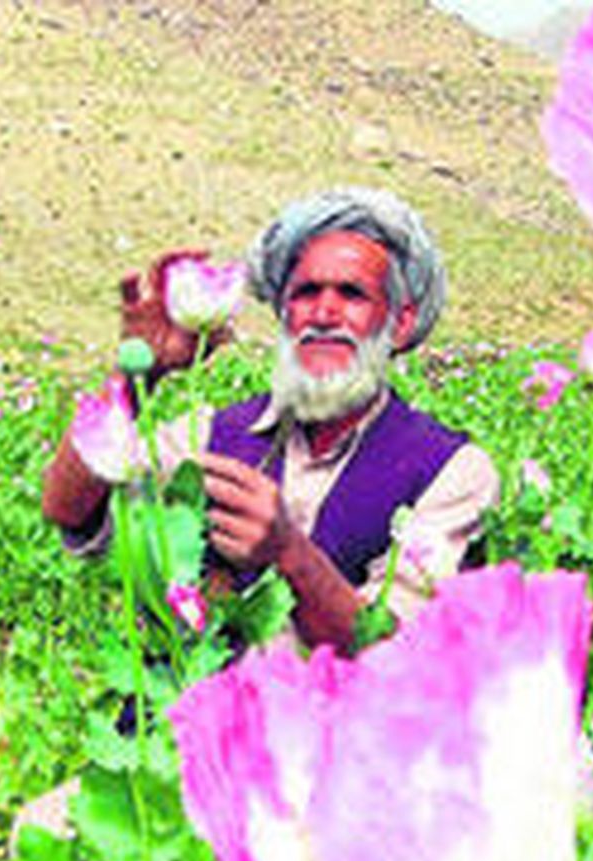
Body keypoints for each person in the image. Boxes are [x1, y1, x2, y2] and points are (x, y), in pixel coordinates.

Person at [40, 187, 499, 651]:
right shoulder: (212, 434)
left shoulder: (450, 469)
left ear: (399, 324)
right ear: (283, 315)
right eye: (305, 293)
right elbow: (69, 509)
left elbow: (396, 655)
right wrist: (137, 374)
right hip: (186, 716)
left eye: (351, 294)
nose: (323, 313)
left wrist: (288, 553)